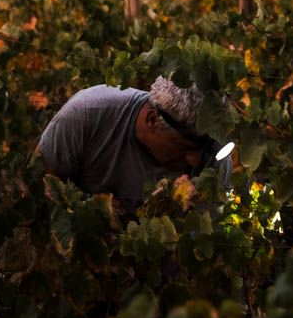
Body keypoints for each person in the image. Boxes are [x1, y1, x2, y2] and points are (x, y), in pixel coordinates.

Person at [35, 76, 231, 218]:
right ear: (153, 119)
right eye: (186, 147)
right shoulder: (86, 114)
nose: (196, 160)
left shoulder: (214, 160)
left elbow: (200, 245)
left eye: (204, 147)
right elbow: (39, 190)